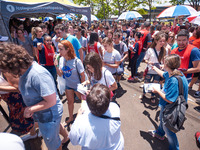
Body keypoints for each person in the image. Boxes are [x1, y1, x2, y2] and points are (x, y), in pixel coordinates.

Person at [0, 42, 64, 150]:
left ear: (12, 65)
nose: (5, 72)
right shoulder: (24, 72)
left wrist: (30, 108)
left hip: (49, 117)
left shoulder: (37, 75)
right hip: (43, 116)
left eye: (5, 70)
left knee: (52, 143)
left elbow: (51, 101)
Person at [149, 54, 188, 150]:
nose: (163, 63)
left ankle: (174, 148)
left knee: (169, 130)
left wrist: (157, 91)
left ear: (168, 65)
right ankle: (159, 133)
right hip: (167, 106)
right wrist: (155, 68)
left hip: (171, 108)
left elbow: (170, 99)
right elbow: (163, 74)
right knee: (162, 119)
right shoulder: (175, 73)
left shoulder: (174, 80)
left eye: (164, 62)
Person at [69, 83, 124, 149]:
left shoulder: (81, 123)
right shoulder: (115, 109)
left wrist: (78, 117)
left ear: (88, 105)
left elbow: (73, 141)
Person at [54, 40, 85, 124]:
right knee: (70, 102)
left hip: (77, 86)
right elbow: (60, 74)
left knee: (84, 103)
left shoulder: (76, 61)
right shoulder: (62, 60)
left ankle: (85, 118)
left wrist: (83, 87)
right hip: (68, 86)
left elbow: (83, 75)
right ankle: (71, 117)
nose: (58, 51)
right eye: (58, 49)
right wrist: (56, 65)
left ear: (67, 50)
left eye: (61, 49)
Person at [140, 31, 166, 103]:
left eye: (163, 41)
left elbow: (164, 61)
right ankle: (144, 94)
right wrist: (148, 62)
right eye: (160, 41)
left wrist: (163, 66)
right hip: (150, 70)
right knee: (146, 83)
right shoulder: (150, 50)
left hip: (158, 71)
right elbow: (145, 59)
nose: (162, 43)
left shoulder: (164, 50)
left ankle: (152, 96)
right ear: (156, 41)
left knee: (155, 84)